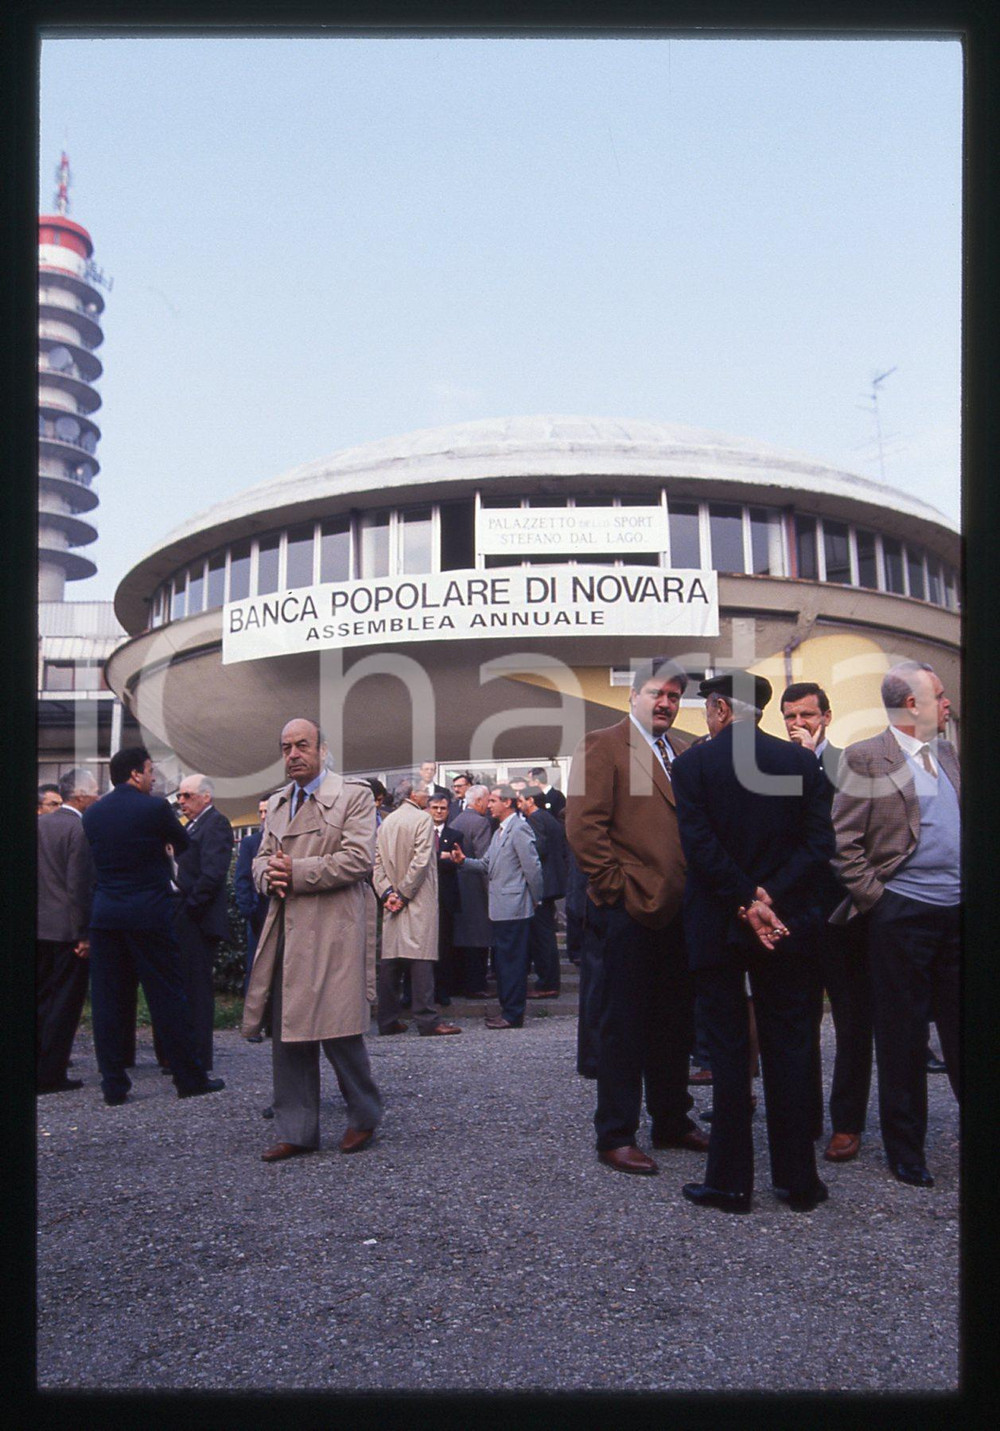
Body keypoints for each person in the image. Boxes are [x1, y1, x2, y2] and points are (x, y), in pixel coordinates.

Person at [670, 671, 835, 1213]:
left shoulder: (693, 764)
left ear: (719, 709)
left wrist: (745, 898)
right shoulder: (801, 762)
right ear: (760, 711)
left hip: (719, 922)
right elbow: (819, 845)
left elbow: (699, 845)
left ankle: (730, 1183)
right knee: (789, 1046)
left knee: (728, 1052)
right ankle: (798, 1182)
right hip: (786, 923)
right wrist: (770, 894)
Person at [566, 656, 706, 1175]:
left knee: (674, 1023)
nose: (666, 702)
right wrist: (616, 891)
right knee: (622, 1026)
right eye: (656, 693)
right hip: (629, 911)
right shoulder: (602, 745)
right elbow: (584, 828)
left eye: (674, 695)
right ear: (633, 696)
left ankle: (671, 1119)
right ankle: (615, 1134)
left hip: (682, 912)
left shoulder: (684, 751)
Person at [830, 661, 960, 1188]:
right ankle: (906, 1150)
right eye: (940, 695)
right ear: (912, 705)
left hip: (958, 914)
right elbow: (844, 846)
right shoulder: (868, 757)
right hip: (900, 916)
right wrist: (878, 902)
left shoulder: (948, 752)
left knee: (966, 1032)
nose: (948, 703)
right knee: (903, 1038)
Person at [243, 719, 383, 1160]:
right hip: (286, 930)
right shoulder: (279, 802)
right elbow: (260, 860)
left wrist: (297, 873)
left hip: (334, 930)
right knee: (289, 1034)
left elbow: (359, 860)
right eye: (286, 747)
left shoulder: (354, 796)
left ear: (322, 749)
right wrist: (268, 874)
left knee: (340, 1032)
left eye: (302, 745)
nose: (293, 754)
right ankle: (296, 1129)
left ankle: (364, 1116)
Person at [82, 746, 225, 1106]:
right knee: (168, 996)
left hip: (106, 914)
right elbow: (183, 842)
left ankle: (113, 1084)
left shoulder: (93, 813)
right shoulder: (155, 808)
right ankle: (188, 1078)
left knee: (108, 1000)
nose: (153, 777)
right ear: (134, 774)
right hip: (148, 912)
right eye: (149, 770)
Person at [780, 681, 873, 1163]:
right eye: (790, 717)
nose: (798, 725)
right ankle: (806, 1114)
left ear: (827, 718)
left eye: (807, 716)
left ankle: (848, 1123)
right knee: (798, 1020)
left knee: (853, 1019)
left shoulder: (848, 766)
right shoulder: (774, 768)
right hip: (796, 913)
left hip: (844, 913)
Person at [373, 781, 461, 1038]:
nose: (429, 794)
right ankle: (427, 1020)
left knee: (391, 962)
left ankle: (387, 1020)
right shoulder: (423, 820)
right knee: (421, 960)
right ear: (413, 795)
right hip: (417, 899)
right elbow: (422, 860)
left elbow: (376, 863)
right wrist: (403, 893)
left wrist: (388, 893)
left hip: (392, 903)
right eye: (424, 790)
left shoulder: (386, 822)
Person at [450, 786, 543, 1029]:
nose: (488, 805)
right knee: (503, 962)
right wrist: (463, 861)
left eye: (493, 800)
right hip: (501, 907)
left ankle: (513, 1014)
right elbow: (485, 864)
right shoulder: (500, 831)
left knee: (512, 962)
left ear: (508, 803)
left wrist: (536, 898)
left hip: (514, 907)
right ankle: (507, 1010)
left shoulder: (519, 828)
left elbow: (532, 868)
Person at [164, 774, 234, 1072]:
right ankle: (183, 1053)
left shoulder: (215, 824)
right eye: (179, 797)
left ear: (206, 796)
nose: (181, 802)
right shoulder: (191, 825)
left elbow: (213, 874)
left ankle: (197, 1057)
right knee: (183, 986)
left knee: (196, 989)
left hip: (197, 918)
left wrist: (190, 908)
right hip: (184, 913)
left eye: (187, 796)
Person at [36, 767, 99, 1093]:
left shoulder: (38, 824)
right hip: (66, 932)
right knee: (63, 1004)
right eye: (95, 790)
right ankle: (51, 1073)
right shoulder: (79, 829)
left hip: (38, 928)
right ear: (82, 795)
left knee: (39, 999)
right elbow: (78, 886)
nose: (98, 796)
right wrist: (83, 934)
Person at [519, 785, 568, 999]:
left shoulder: (536, 819)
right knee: (544, 935)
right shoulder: (548, 818)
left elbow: (538, 849)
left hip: (543, 886)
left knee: (543, 937)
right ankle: (548, 981)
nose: (517, 803)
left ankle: (547, 983)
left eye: (520, 799)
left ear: (530, 800)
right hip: (551, 884)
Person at [449, 783, 494, 998]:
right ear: (477, 802)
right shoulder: (481, 823)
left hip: (458, 885)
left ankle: (458, 983)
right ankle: (476, 985)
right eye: (487, 801)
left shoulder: (456, 820)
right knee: (479, 937)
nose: (489, 805)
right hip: (475, 886)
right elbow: (485, 860)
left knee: (462, 938)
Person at [427, 794, 466, 1005]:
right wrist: (439, 856)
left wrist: (435, 857)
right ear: (428, 809)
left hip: (446, 897)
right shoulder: (420, 832)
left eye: (443, 808)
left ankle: (442, 991)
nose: (439, 811)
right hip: (423, 896)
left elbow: (454, 862)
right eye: (435, 807)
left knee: (444, 946)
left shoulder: (455, 834)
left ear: (448, 810)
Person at [234, 799, 271, 1006]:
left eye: (267, 811)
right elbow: (242, 879)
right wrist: (249, 910)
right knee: (255, 968)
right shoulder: (250, 843)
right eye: (260, 812)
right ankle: (254, 1022)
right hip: (258, 915)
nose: (263, 816)